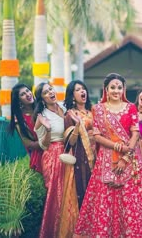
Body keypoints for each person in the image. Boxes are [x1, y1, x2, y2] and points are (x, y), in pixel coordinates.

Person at [74, 73, 142, 238]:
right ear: (106, 89)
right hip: (105, 159)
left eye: (119, 87)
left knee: (131, 201)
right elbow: (97, 135)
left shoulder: (131, 108)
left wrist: (125, 157)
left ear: (123, 89)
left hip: (129, 159)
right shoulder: (98, 109)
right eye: (113, 87)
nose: (116, 90)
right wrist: (117, 146)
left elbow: (135, 133)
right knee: (105, 199)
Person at [58, 80, 95, 238]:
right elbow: (69, 143)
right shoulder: (70, 115)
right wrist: (78, 126)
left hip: (100, 158)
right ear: (72, 95)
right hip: (82, 158)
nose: (82, 92)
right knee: (84, 193)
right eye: (78, 90)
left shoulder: (93, 111)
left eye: (83, 89)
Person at [33, 82, 66, 238]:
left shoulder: (64, 108)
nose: (51, 93)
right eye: (46, 92)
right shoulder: (42, 116)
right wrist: (47, 129)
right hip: (52, 155)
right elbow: (43, 145)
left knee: (68, 193)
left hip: (68, 153)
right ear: (42, 98)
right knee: (56, 195)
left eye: (51, 89)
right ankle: (54, 232)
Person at [9, 83, 43, 173]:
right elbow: (28, 144)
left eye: (27, 91)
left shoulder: (42, 108)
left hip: (56, 150)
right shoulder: (20, 121)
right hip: (39, 156)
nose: (27, 94)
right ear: (19, 101)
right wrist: (47, 143)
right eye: (22, 94)